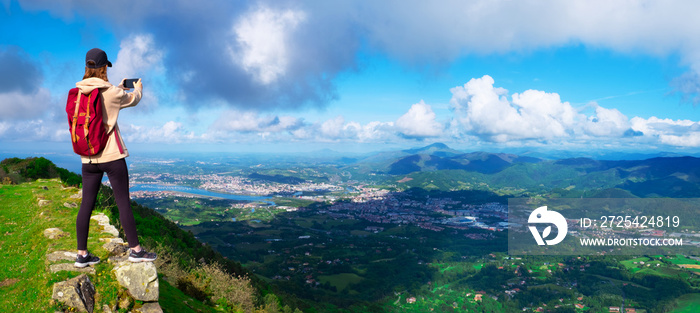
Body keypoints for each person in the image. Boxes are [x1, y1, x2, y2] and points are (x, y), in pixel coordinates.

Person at [74, 48, 157, 268]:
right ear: (103, 68)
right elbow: (133, 99)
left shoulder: (77, 92)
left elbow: (101, 102)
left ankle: (82, 255)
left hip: (88, 158)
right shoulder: (112, 92)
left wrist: (117, 87)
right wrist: (137, 88)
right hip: (111, 156)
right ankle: (136, 251)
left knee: (86, 205)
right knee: (123, 203)